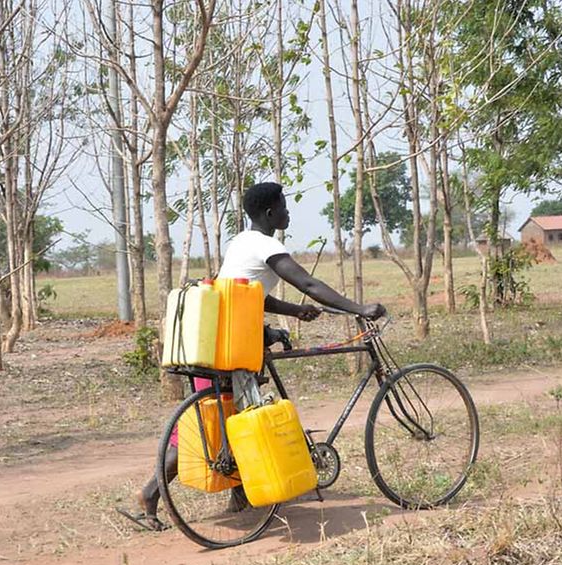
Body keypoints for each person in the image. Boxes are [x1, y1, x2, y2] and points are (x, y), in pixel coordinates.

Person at [117, 182, 386, 531]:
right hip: (226, 346)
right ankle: (150, 493)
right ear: (270, 212)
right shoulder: (266, 245)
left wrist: (294, 311)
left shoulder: (242, 242)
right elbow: (310, 284)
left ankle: (241, 494)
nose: (289, 213)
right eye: (284, 206)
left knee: (237, 416)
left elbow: (252, 294)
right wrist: (358, 308)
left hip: (228, 339)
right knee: (210, 426)